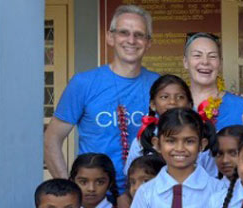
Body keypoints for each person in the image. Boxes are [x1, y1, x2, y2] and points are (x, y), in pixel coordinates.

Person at [44, 5, 159, 196]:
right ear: (110, 37)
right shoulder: (84, 83)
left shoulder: (159, 86)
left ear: (148, 42)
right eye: (124, 32)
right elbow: (52, 139)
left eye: (139, 34)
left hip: (147, 196)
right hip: (95, 198)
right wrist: (68, 192)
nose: (131, 40)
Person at [183, 32, 243, 132]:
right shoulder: (173, 104)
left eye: (212, 56)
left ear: (220, 63)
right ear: (185, 62)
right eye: (197, 55)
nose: (205, 62)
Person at [124, 74, 193, 175]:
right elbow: (131, 174)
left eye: (180, 97)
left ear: (189, 104)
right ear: (153, 105)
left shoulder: (199, 135)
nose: (172, 102)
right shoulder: (142, 139)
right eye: (164, 97)